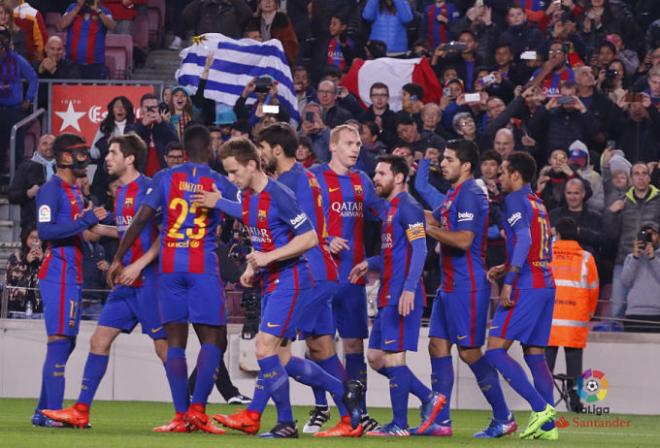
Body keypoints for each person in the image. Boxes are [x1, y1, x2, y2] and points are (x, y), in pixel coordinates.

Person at [213, 124, 364, 438]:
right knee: (281, 357)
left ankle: (282, 421)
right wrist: (254, 265)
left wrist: (268, 259)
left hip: (294, 277)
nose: (230, 179)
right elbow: (266, 239)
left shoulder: (281, 193)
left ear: (252, 164)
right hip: (274, 279)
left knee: (266, 348)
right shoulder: (250, 197)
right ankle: (345, 392)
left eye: (233, 172)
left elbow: (308, 237)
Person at [108, 125, 237, 434]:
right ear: (209, 150)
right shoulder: (218, 182)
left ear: (184, 149)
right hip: (202, 267)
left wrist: (118, 257)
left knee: (175, 342)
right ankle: (198, 411)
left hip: (169, 267)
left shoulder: (165, 178)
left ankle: (180, 415)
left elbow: (141, 219)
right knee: (213, 339)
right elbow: (247, 211)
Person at [41, 134, 167, 428]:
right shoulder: (113, 193)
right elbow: (122, 233)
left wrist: (134, 262)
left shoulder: (147, 188)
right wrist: (88, 224)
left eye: (111, 152)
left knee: (163, 349)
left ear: (130, 158)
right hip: (101, 280)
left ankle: (186, 412)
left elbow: (161, 233)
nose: (102, 158)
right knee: (86, 341)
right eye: (106, 152)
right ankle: (71, 412)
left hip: (146, 280)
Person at [349, 155, 446, 436]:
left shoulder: (409, 207)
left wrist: (409, 289)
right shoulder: (391, 210)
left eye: (381, 173)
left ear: (400, 177)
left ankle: (399, 425)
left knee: (393, 358)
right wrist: (371, 262)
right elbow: (394, 254)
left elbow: (420, 250)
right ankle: (429, 398)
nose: (376, 178)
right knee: (377, 358)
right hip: (387, 293)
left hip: (400, 295)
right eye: (375, 173)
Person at [422, 140, 513, 438]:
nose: (443, 163)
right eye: (443, 158)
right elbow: (431, 217)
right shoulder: (453, 193)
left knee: (470, 351)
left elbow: (463, 240)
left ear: (466, 166)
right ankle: (441, 421)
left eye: (449, 159)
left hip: (468, 286)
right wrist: (400, 210)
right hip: (449, 285)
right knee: (436, 345)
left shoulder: (472, 193)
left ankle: (504, 416)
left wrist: (429, 231)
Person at [32, 133, 107, 427]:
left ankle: (43, 411)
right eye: (80, 153)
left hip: (71, 272)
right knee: (60, 341)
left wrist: (104, 223)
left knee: (66, 342)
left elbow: (80, 230)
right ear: (64, 157)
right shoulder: (51, 190)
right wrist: (85, 222)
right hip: (58, 272)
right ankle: (53, 413)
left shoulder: (74, 191)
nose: (85, 158)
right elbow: (46, 231)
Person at [485, 151, 558, 441]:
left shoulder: (514, 200)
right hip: (546, 282)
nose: (498, 176)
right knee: (535, 354)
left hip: (526, 285)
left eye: (502, 171)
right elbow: (538, 245)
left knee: (494, 351)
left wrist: (509, 281)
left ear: (516, 175)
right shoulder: (536, 202)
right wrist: (505, 267)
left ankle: (541, 409)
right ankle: (548, 429)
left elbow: (525, 239)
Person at [546, 217, 599, 413]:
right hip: (575, 322)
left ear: (557, 234)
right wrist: (590, 312)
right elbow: (593, 289)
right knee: (574, 369)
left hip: (549, 321)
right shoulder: (586, 258)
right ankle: (575, 403)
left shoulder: (547, 256)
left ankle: (544, 403)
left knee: (545, 367)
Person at [603, 162, 660, 319]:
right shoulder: (621, 201)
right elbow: (609, 233)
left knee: (654, 313)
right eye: (636, 174)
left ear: (649, 178)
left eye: (644, 173)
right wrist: (611, 214)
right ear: (631, 178)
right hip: (625, 260)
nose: (640, 177)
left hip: (653, 262)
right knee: (616, 311)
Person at [0, 27, 37, 174]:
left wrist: (29, 98)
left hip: (14, 110)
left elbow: (33, 78)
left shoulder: (17, 59)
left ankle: (17, 181)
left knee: (17, 148)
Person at [9, 134, 55, 233]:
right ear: (38, 146)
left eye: (52, 144)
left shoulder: (63, 167)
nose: (49, 147)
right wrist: (28, 193)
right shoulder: (26, 167)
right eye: (45, 144)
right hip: (32, 226)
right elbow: (12, 196)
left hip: (59, 223)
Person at [60, 0, 116, 79]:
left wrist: (98, 11)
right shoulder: (72, 7)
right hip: (72, 63)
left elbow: (112, 26)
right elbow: (62, 25)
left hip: (95, 64)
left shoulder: (103, 10)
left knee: (94, 91)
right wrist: (78, 8)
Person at [621, 221, 660, 333]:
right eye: (644, 233)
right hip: (634, 312)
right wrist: (635, 257)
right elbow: (625, 281)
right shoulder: (631, 257)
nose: (648, 237)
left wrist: (653, 259)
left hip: (657, 313)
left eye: (652, 234)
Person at [548, 178, 602, 257]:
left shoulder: (595, 217)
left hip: (584, 265)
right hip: (558, 264)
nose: (572, 197)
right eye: (569, 193)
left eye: (576, 193)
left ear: (583, 194)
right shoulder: (554, 215)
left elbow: (601, 241)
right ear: (565, 194)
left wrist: (578, 231)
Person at [134, 93, 178, 176]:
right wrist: (143, 125)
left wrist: (161, 123)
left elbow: (175, 142)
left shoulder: (166, 125)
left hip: (163, 174)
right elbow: (129, 144)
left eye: (153, 107)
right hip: (141, 175)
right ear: (141, 109)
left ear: (158, 108)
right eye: (147, 107)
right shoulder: (134, 125)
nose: (150, 110)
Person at [5, 226, 43, 315]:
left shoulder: (48, 258)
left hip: (41, 310)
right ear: (26, 239)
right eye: (32, 237)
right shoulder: (15, 258)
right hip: (16, 309)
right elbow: (13, 281)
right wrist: (26, 262)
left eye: (38, 238)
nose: (35, 241)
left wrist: (42, 262)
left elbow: (49, 282)